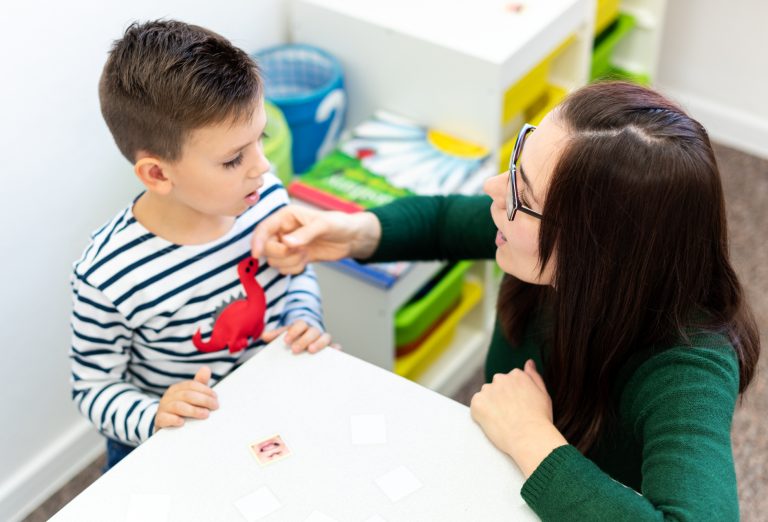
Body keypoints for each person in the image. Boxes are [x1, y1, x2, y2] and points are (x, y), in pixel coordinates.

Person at [251, 82, 760, 520]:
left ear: (596, 251)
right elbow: (447, 219)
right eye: (518, 159)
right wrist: (353, 232)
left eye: (525, 196)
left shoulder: (690, 365)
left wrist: (529, 434)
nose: (497, 188)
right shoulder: (539, 242)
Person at [70, 20, 333, 471]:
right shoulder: (106, 274)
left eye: (260, 139)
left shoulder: (265, 197)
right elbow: (93, 387)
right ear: (157, 174)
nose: (263, 166)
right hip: (165, 444)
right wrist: (153, 414)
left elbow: (296, 273)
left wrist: (303, 318)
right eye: (234, 158)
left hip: (263, 408)